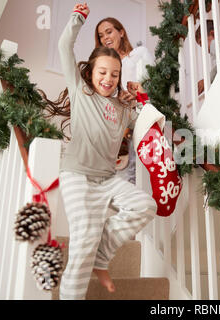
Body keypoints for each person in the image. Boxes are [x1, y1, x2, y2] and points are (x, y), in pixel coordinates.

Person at [55, 3, 157, 300]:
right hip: (77, 176)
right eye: (102, 72)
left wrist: (138, 98)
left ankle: (102, 255)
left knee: (145, 205)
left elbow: (147, 121)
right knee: (84, 239)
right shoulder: (80, 91)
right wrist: (78, 18)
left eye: (114, 74)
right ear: (92, 71)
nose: (108, 79)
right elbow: (64, 45)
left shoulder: (124, 106)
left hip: (107, 180)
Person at [95, 17, 155, 184]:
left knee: (134, 174)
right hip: (115, 124)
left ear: (121, 32)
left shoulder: (139, 54)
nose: (105, 38)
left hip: (138, 117)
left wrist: (138, 94)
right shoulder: (104, 66)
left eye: (109, 32)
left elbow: (154, 84)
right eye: (101, 35)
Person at [195, 20, 220, 95]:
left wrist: (207, 80)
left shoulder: (215, 44)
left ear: (212, 34)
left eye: (201, 43)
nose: (204, 49)